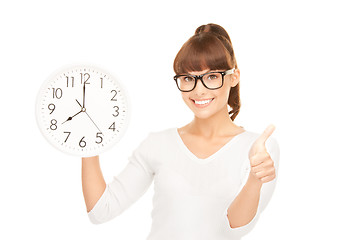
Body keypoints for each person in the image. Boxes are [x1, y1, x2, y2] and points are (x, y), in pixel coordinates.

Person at [82, 23, 280, 240]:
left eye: (212, 76)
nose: (199, 89)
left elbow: (236, 227)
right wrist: (88, 138)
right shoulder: (159, 143)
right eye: (188, 78)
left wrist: (255, 178)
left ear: (233, 77)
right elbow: (101, 211)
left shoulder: (258, 149)